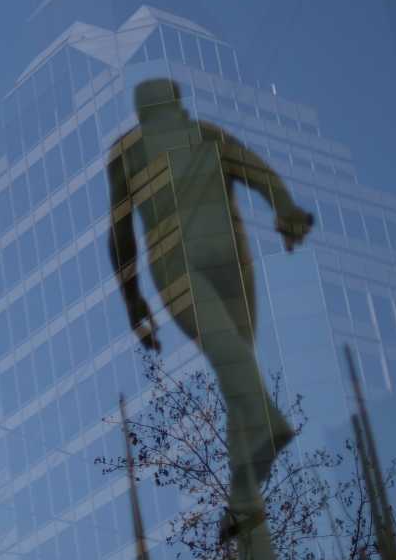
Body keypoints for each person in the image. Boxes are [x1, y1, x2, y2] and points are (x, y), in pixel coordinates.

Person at [106, 78, 314, 536]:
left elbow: (120, 235)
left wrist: (132, 297)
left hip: (177, 258)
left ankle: (265, 422)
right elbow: (260, 173)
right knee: (236, 366)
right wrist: (285, 211)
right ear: (177, 103)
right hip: (228, 251)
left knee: (233, 365)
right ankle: (244, 495)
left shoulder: (127, 151)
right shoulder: (207, 134)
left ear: (142, 111)